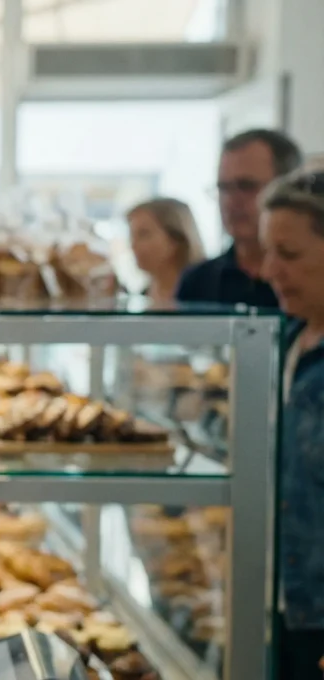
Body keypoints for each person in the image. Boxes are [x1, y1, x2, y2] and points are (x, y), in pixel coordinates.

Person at [259, 167, 324, 680]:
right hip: (281, 609)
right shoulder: (284, 345)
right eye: (267, 252)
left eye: (290, 254)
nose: (269, 270)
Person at [176, 128, 302, 308]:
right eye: (223, 188)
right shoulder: (197, 282)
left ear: (287, 188)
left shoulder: (308, 282)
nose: (230, 201)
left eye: (246, 186)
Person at [126, 197, 206, 304]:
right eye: (132, 235)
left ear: (176, 239)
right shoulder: (141, 298)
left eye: (143, 234)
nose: (133, 245)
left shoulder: (207, 293)